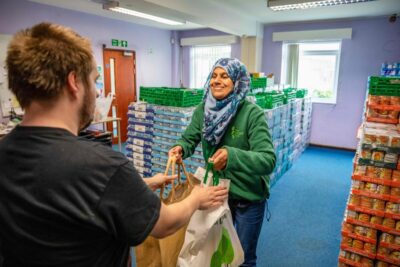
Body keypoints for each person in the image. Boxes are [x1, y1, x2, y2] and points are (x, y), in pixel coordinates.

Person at [0, 22, 228, 267]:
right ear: (74, 82)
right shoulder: (103, 165)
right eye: (95, 81)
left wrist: (142, 184)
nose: (98, 93)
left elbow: (65, 194)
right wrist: (196, 197)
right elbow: (164, 223)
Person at [169, 58, 276, 266]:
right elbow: (190, 137)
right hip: (217, 193)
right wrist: (181, 147)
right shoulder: (204, 110)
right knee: (216, 250)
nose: (216, 81)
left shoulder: (252, 114)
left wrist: (231, 156)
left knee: (243, 257)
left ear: (238, 82)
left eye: (224, 76)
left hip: (248, 196)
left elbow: (268, 159)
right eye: (214, 75)